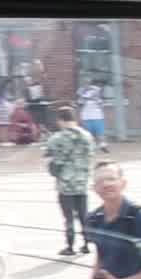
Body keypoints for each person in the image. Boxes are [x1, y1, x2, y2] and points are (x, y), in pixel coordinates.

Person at [43, 106, 95, 256]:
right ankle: (86, 244)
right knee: (83, 215)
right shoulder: (87, 136)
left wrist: (55, 170)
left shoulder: (56, 138)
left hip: (65, 184)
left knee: (69, 217)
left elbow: (50, 160)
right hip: (82, 182)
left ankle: (70, 246)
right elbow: (91, 156)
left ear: (61, 120)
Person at [77, 78, 108, 152]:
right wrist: (84, 98)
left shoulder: (97, 93)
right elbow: (79, 104)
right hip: (86, 117)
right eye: (85, 82)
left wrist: (95, 99)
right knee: (88, 134)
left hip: (97, 117)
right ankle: (90, 147)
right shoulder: (81, 92)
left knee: (100, 133)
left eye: (88, 82)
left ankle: (103, 146)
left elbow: (102, 104)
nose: (87, 84)